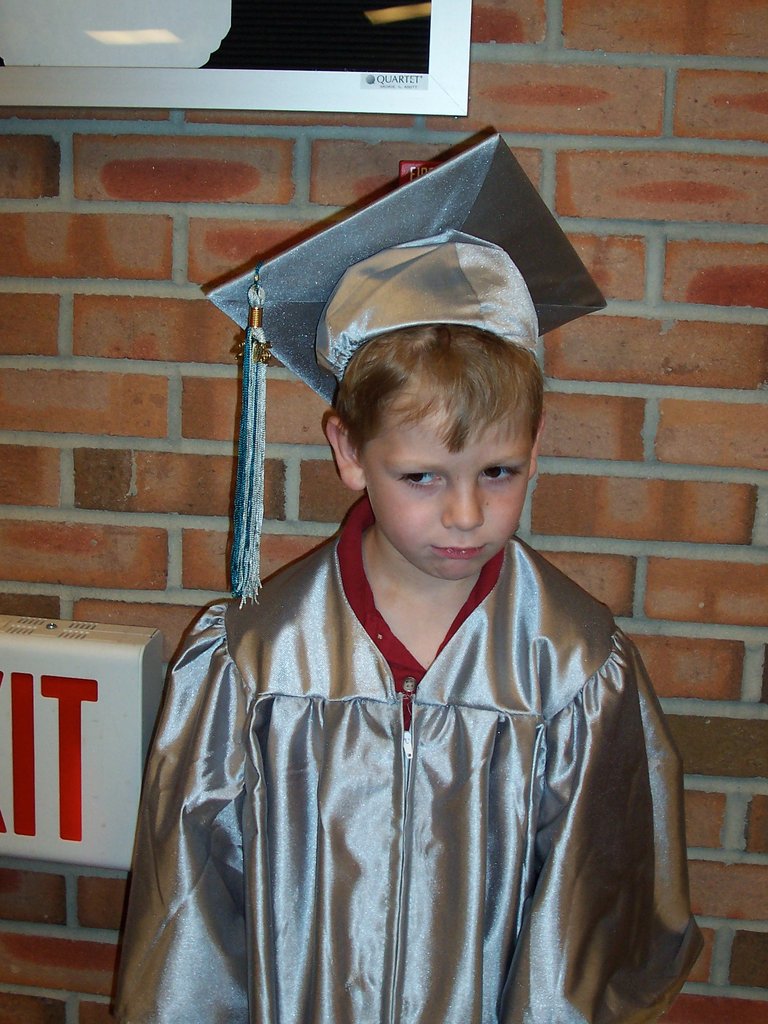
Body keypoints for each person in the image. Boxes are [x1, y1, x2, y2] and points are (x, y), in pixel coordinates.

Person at [115, 135, 701, 1023]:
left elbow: (594, 934)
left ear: (537, 447)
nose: (465, 514)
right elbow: (191, 921)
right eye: (422, 476)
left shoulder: (574, 671)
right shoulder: (253, 663)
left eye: (498, 472)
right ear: (350, 452)